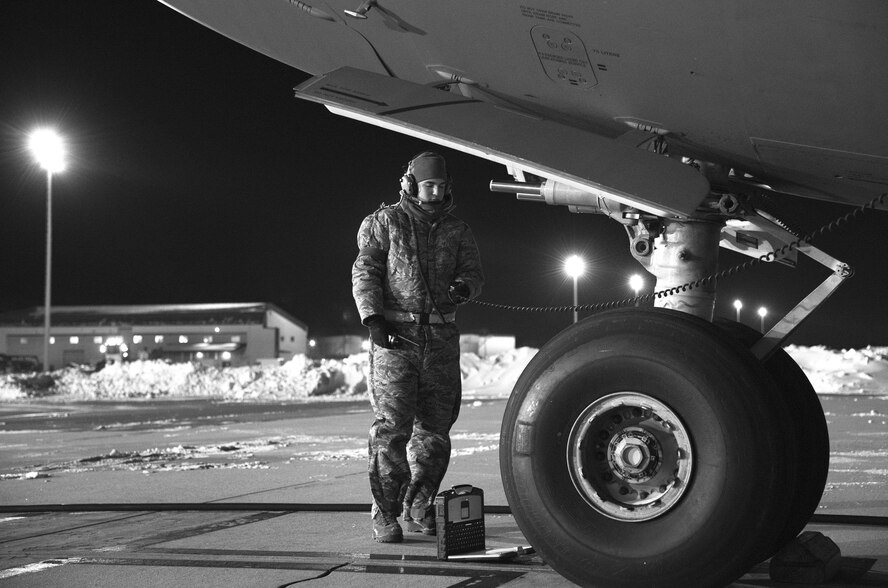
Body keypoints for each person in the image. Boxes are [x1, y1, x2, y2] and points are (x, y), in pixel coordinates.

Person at [352, 151, 484, 543]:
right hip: (397, 340)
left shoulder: (457, 231)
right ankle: (385, 513)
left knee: (435, 432)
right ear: (410, 183)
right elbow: (366, 270)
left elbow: (474, 274)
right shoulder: (383, 223)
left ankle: (419, 506)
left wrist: (466, 287)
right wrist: (372, 317)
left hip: (441, 339)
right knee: (392, 429)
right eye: (428, 185)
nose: (435, 192)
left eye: (441, 186)